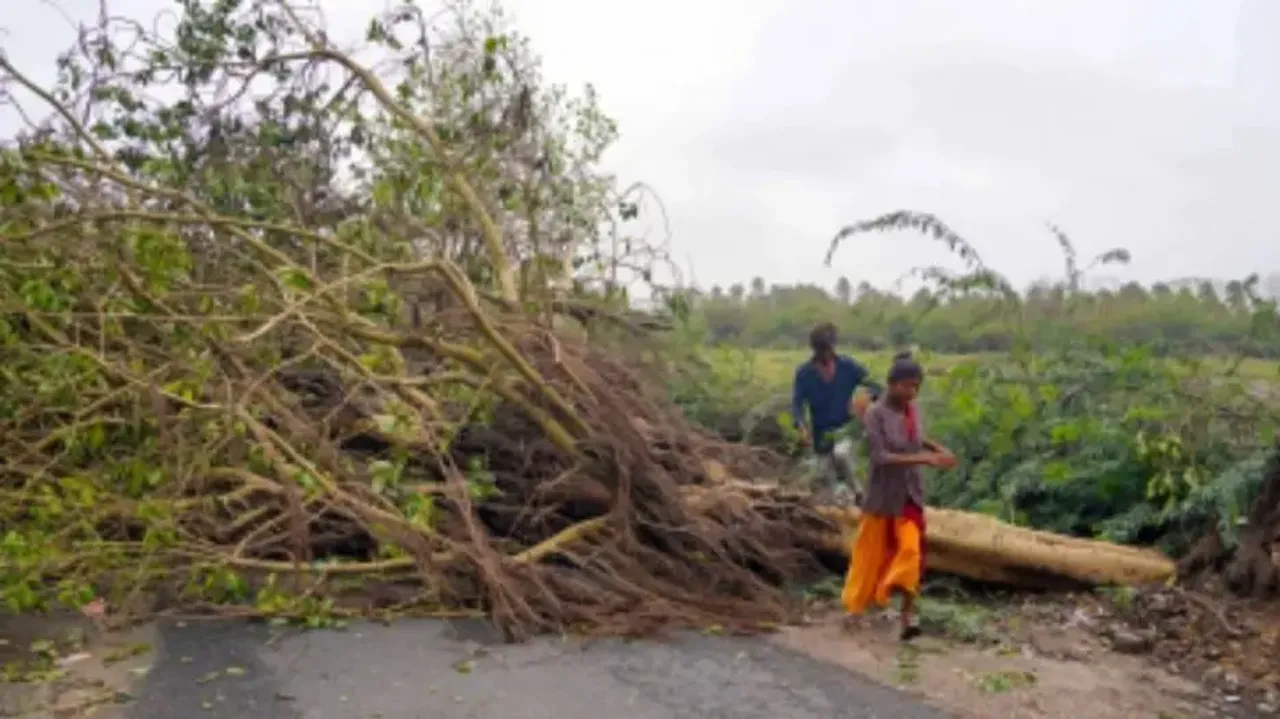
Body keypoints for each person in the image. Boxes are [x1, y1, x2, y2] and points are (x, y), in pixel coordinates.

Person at [840, 351, 957, 641]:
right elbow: (880, 457)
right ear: (891, 384)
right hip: (882, 495)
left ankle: (907, 617)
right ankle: (855, 609)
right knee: (868, 555)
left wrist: (936, 449)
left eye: (915, 387)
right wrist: (924, 459)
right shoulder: (875, 413)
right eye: (905, 386)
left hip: (910, 494)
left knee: (912, 553)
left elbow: (916, 438)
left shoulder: (912, 410)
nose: (910, 392)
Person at [790, 323, 883, 501]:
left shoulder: (848, 367)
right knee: (824, 478)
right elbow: (797, 403)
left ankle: (861, 494)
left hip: (846, 428)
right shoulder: (804, 373)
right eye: (820, 350)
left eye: (828, 349)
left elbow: (876, 387)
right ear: (814, 349)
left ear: (834, 346)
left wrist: (866, 398)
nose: (825, 354)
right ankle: (842, 506)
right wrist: (801, 425)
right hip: (821, 432)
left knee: (842, 455)